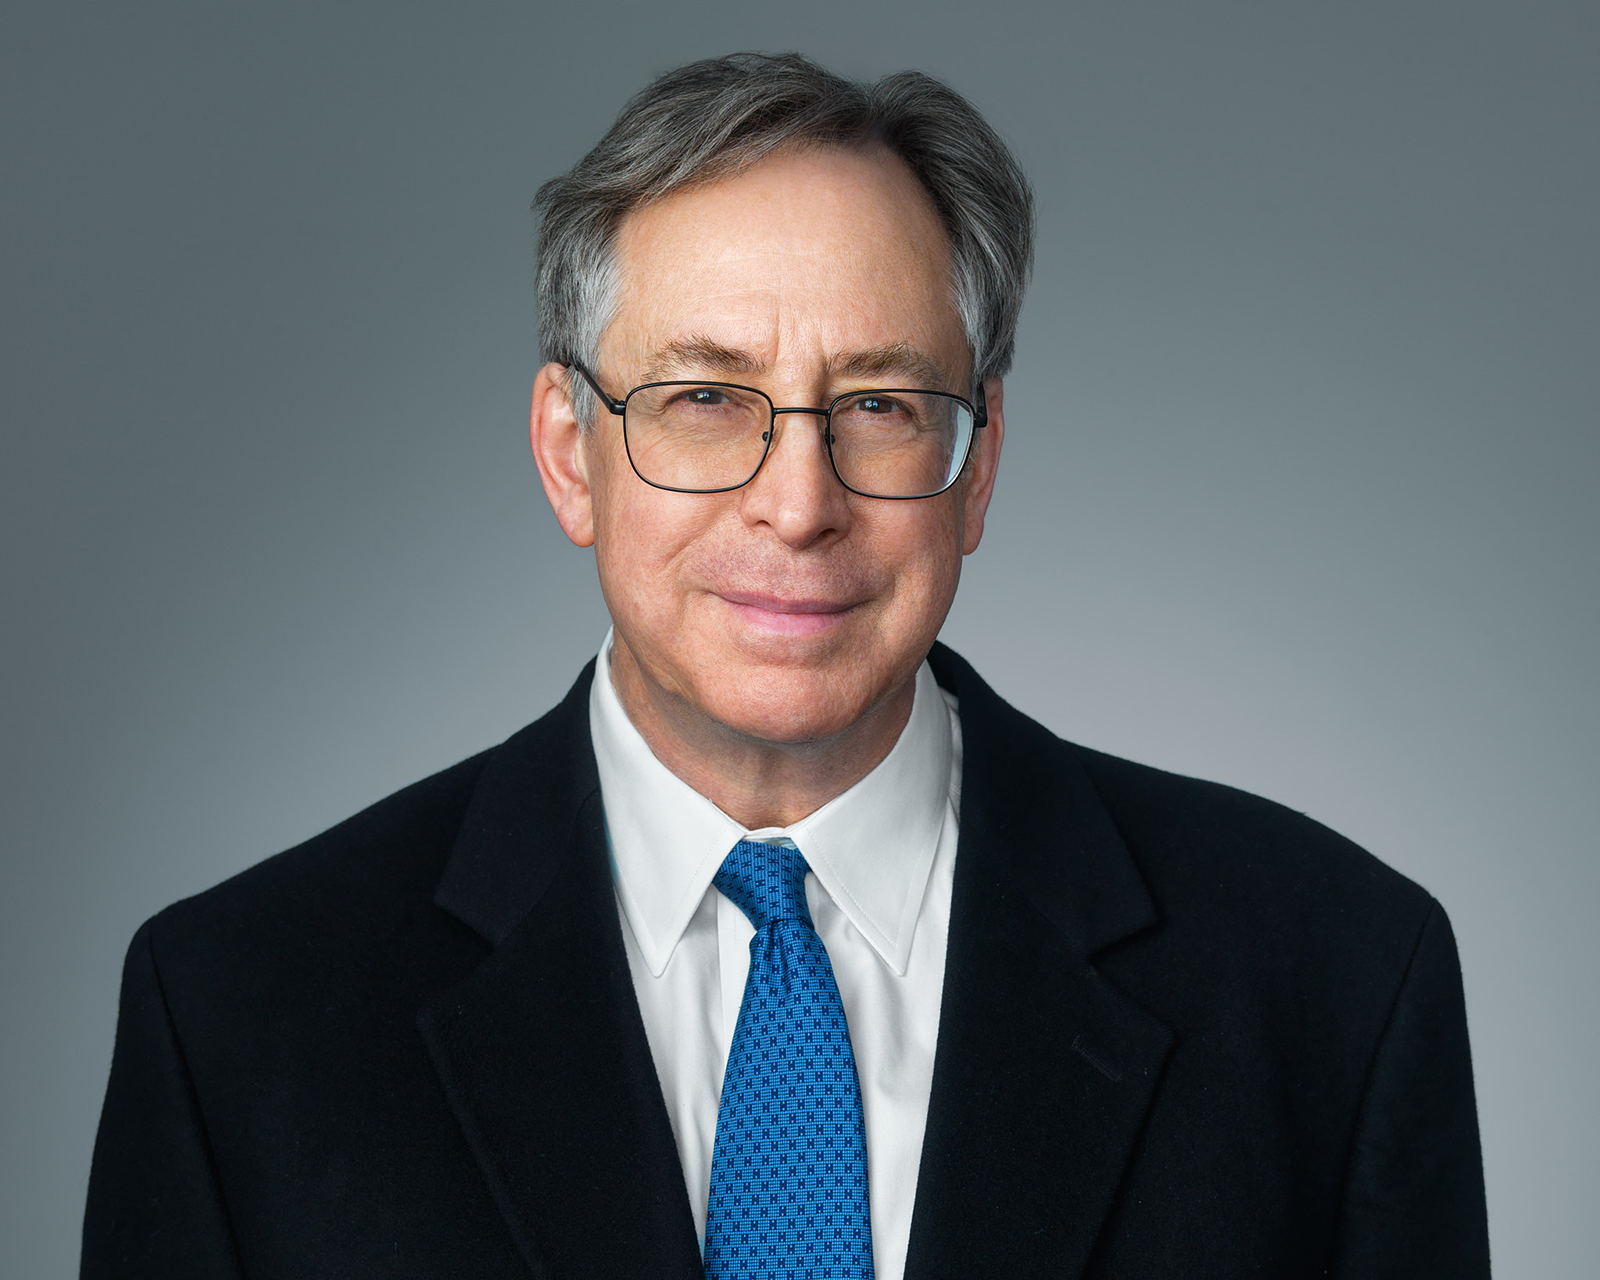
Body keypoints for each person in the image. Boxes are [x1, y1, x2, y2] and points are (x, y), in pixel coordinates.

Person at [81, 53, 1490, 1279]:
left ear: (979, 464)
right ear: (572, 454)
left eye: (878, 405)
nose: (798, 502)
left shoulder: (1336, 980)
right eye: (706, 400)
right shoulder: (240, 1021)